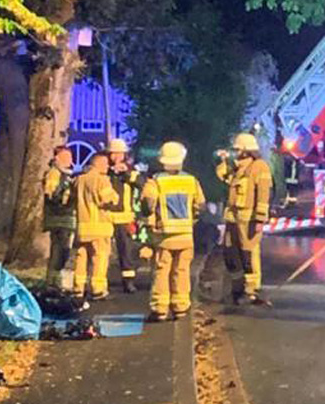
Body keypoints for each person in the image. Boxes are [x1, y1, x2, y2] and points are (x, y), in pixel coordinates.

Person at [140, 141, 205, 322]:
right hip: (186, 235)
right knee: (182, 270)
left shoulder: (155, 181)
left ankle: (160, 308)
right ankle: (180, 307)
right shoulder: (191, 181)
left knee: (162, 271)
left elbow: (148, 205)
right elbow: (200, 206)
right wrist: (191, 221)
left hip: (164, 236)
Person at [216, 132, 273, 305]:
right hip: (233, 218)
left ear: (247, 150)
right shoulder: (238, 168)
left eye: (237, 149)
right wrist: (223, 161)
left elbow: (263, 194)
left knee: (248, 254)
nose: (235, 152)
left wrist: (259, 219)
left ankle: (251, 290)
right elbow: (223, 176)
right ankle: (237, 289)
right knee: (231, 254)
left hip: (249, 221)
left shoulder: (259, 167)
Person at [74, 152, 119, 301]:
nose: (108, 166)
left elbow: (69, 198)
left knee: (81, 258)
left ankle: (78, 289)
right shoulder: (101, 180)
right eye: (105, 163)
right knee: (100, 258)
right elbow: (109, 199)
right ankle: (97, 289)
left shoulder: (79, 179)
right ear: (98, 164)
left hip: (82, 226)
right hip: (99, 226)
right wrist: (115, 198)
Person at [107, 138, 142, 293]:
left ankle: (128, 281)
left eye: (119, 153)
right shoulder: (104, 171)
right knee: (102, 251)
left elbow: (142, 183)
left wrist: (127, 173)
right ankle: (100, 281)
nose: (116, 157)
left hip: (124, 217)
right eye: (113, 153)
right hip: (105, 217)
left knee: (126, 250)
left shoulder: (131, 171)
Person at [42, 147, 77, 292]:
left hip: (64, 218)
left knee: (62, 251)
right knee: (60, 251)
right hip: (59, 218)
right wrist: (69, 197)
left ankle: (55, 281)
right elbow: (52, 195)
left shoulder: (66, 174)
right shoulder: (54, 174)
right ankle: (53, 283)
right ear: (57, 158)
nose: (70, 160)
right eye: (66, 157)